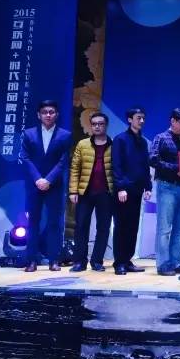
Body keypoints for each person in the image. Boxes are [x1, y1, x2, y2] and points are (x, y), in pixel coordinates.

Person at [20, 100, 71, 272]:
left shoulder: (65, 135)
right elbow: (25, 158)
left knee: (54, 223)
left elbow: (63, 161)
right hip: (34, 185)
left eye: (51, 112)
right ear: (38, 115)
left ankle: (54, 260)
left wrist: (48, 180)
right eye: (44, 112)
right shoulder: (28, 134)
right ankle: (31, 261)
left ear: (57, 114)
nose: (48, 115)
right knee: (33, 222)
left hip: (54, 185)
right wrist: (38, 179)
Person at [68, 112, 114, 272]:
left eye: (101, 124)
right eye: (94, 124)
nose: (97, 127)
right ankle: (79, 261)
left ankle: (97, 261)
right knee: (81, 226)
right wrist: (73, 191)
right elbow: (75, 168)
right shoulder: (82, 144)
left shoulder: (114, 145)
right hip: (85, 192)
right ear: (91, 126)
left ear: (106, 125)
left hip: (106, 193)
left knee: (103, 227)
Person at [149, 108, 180, 276]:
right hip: (166, 186)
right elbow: (152, 159)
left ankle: (175, 262)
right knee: (165, 228)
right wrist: (176, 169)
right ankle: (163, 264)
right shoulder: (161, 138)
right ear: (172, 121)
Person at [112, 106, 152, 275]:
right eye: (138, 118)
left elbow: (145, 166)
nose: (141, 121)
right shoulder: (120, 139)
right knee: (122, 226)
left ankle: (127, 260)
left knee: (133, 226)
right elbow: (116, 165)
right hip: (123, 190)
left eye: (143, 118)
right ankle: (119, 262)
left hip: (137, 189)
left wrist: (148, 186)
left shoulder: (142, 142)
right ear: (129, 119)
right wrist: (120, 187)